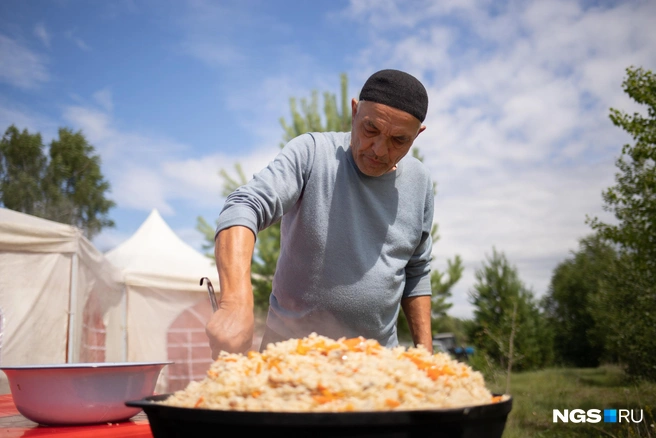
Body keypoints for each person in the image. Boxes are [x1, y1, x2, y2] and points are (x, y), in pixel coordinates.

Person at [206, 69, 434, 357]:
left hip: (377, 365)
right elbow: (245, 205)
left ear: (417, 135)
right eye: (371, 129)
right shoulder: (312, 152)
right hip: (290, 356)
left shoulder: (420, 182)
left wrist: (425, 356)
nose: (378, 149)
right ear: (354, 111)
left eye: (398, 140)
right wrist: (235, 303)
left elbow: (416, 270)